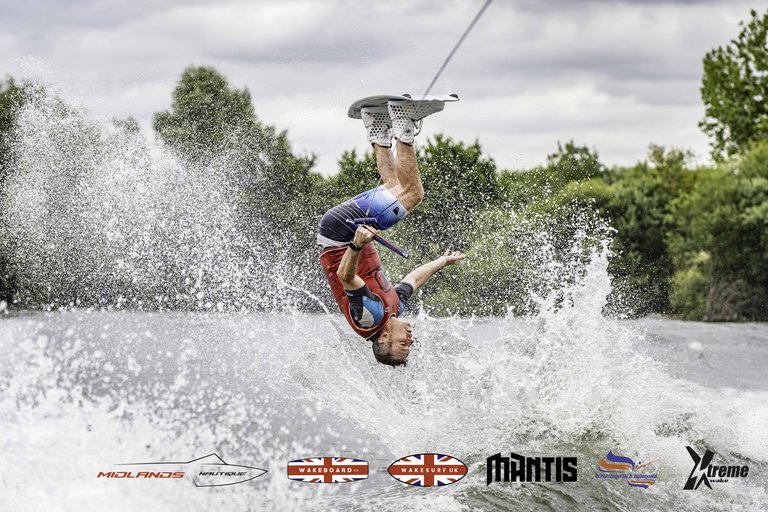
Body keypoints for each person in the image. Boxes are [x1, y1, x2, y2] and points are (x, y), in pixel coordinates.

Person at [318, 97, 465, 366]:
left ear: (384, 338)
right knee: (396, 185)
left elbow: (345, 277)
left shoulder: (370, 318)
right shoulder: (393, 310)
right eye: (409, 345)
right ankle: (376, 125)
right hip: (342, 231)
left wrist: (356, 245)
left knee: (412, 193)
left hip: (341, 232)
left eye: (403, 345)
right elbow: (413, 280)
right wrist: (442, 262)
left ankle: (404, 120)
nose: (410, 340)